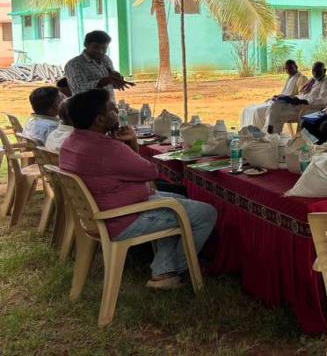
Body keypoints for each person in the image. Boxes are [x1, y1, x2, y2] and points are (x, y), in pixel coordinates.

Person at [59, 89, 216, 289]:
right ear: (99, 120)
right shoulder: (106, 149)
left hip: (103, 213)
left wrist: (127, 146)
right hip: (123, 218)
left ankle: (164, 270)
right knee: (205, 213)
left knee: (176, 199)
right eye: (111, 109)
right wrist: (131, 144)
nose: (117, 110)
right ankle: (175, 269)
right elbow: (149, 172)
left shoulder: (71, 142)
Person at [265, 62, 327, 133]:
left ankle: (271, 133)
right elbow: (303, 94)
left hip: (310, 109)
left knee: (278, 116)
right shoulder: (312, 81)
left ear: (324, 71)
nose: (315, 73)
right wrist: (292, 98)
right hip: (299, 105)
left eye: (318, 71)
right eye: (313, 71)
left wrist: (302, 101)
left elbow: (322, 101)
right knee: (277, 102)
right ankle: (270, 128)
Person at [64, 30, 134, 96]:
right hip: (86, 108)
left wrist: (116, 80)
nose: (100, 51)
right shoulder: (74, 64)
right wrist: (106, 81)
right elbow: (79, 89)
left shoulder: (106, 59)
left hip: (108, 106)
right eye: (96, 47)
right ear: (86, 44)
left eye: (104, 48)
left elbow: (111, 85)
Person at [240, 60, 306, 129]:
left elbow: (302, 96)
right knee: (248, 109)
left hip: (288, 105)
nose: (288, 70)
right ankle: (248, 134)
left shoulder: (301, 78)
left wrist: (286, 98)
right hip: (279, 102)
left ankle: (262, 135)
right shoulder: (290, 77)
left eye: (290, 68)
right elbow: (284, 93)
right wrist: (278, 96)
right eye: (286, 68)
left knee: (257, 111)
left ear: (296, 67)